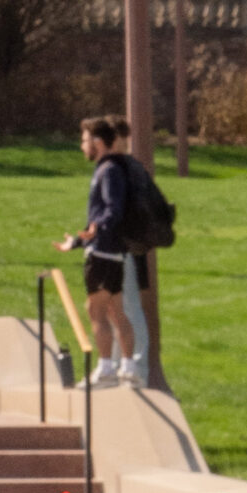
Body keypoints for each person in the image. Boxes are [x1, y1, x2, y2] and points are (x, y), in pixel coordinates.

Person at [55, 115, 150, 385]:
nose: (82, 146)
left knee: (95, 310)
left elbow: (112, 209)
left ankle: (107, 366)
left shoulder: (107, 170)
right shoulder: (113, 169)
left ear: (98, 142)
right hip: (111, 251)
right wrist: (76, 241)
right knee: (115, 310)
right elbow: (106, 214)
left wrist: (96, 231)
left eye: (84, 140)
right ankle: (128, 366)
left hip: (102, 253)